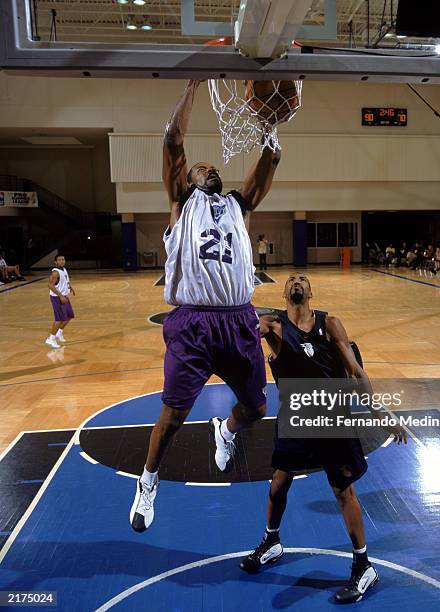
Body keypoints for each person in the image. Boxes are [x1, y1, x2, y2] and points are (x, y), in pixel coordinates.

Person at [130, 79, 282, 533]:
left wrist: (272, 123)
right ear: (188, 180)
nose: (208, 169)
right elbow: (173, 141)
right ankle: (148, 482)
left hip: (239, 321)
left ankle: (226, 430)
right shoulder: (180, 203)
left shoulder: (238, 204)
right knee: (173, 415)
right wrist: (195, 83)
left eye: (213, 168)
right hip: (192, 323)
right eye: (200, 168)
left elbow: (270, 160)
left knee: (255, 409)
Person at [240, 273, 407, 603]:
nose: (297, 282)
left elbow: (357, 373)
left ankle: (364, 566)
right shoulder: (271, 325)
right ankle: (272, 541)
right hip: (296, 414)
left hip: (331, 414)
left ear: (311, 291)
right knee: (278, 481)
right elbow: (244, 332)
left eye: (302, 279)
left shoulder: (329, 323)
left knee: (343, 490)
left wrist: (380, 413)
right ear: (285, 292)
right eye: (291, 279)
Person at [45, 254, 75, 350]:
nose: (62, 261)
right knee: (59, 319)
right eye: (59, 260)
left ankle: (59, 333)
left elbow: (66, 281)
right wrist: (60, 296)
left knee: (69, 315)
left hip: (64, 296)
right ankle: (51, 338)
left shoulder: (64, 269)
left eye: (63, 259)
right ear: (55, 262)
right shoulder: (55, 273)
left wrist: (70, 287)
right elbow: (50, 285)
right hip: (57, 298)